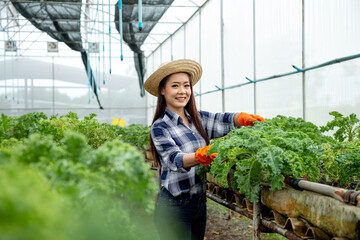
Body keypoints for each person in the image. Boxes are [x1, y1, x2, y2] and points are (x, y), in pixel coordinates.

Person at [144, 59, 264, 240]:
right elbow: (174, 159)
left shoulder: (198, 119)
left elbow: (222, 120)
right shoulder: (160, 127)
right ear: (163, 90)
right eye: (175, 86)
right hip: (174, 207)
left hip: (199, 203)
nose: (182, 91)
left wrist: (241, 118)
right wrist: (201, 155)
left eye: (186, 85)